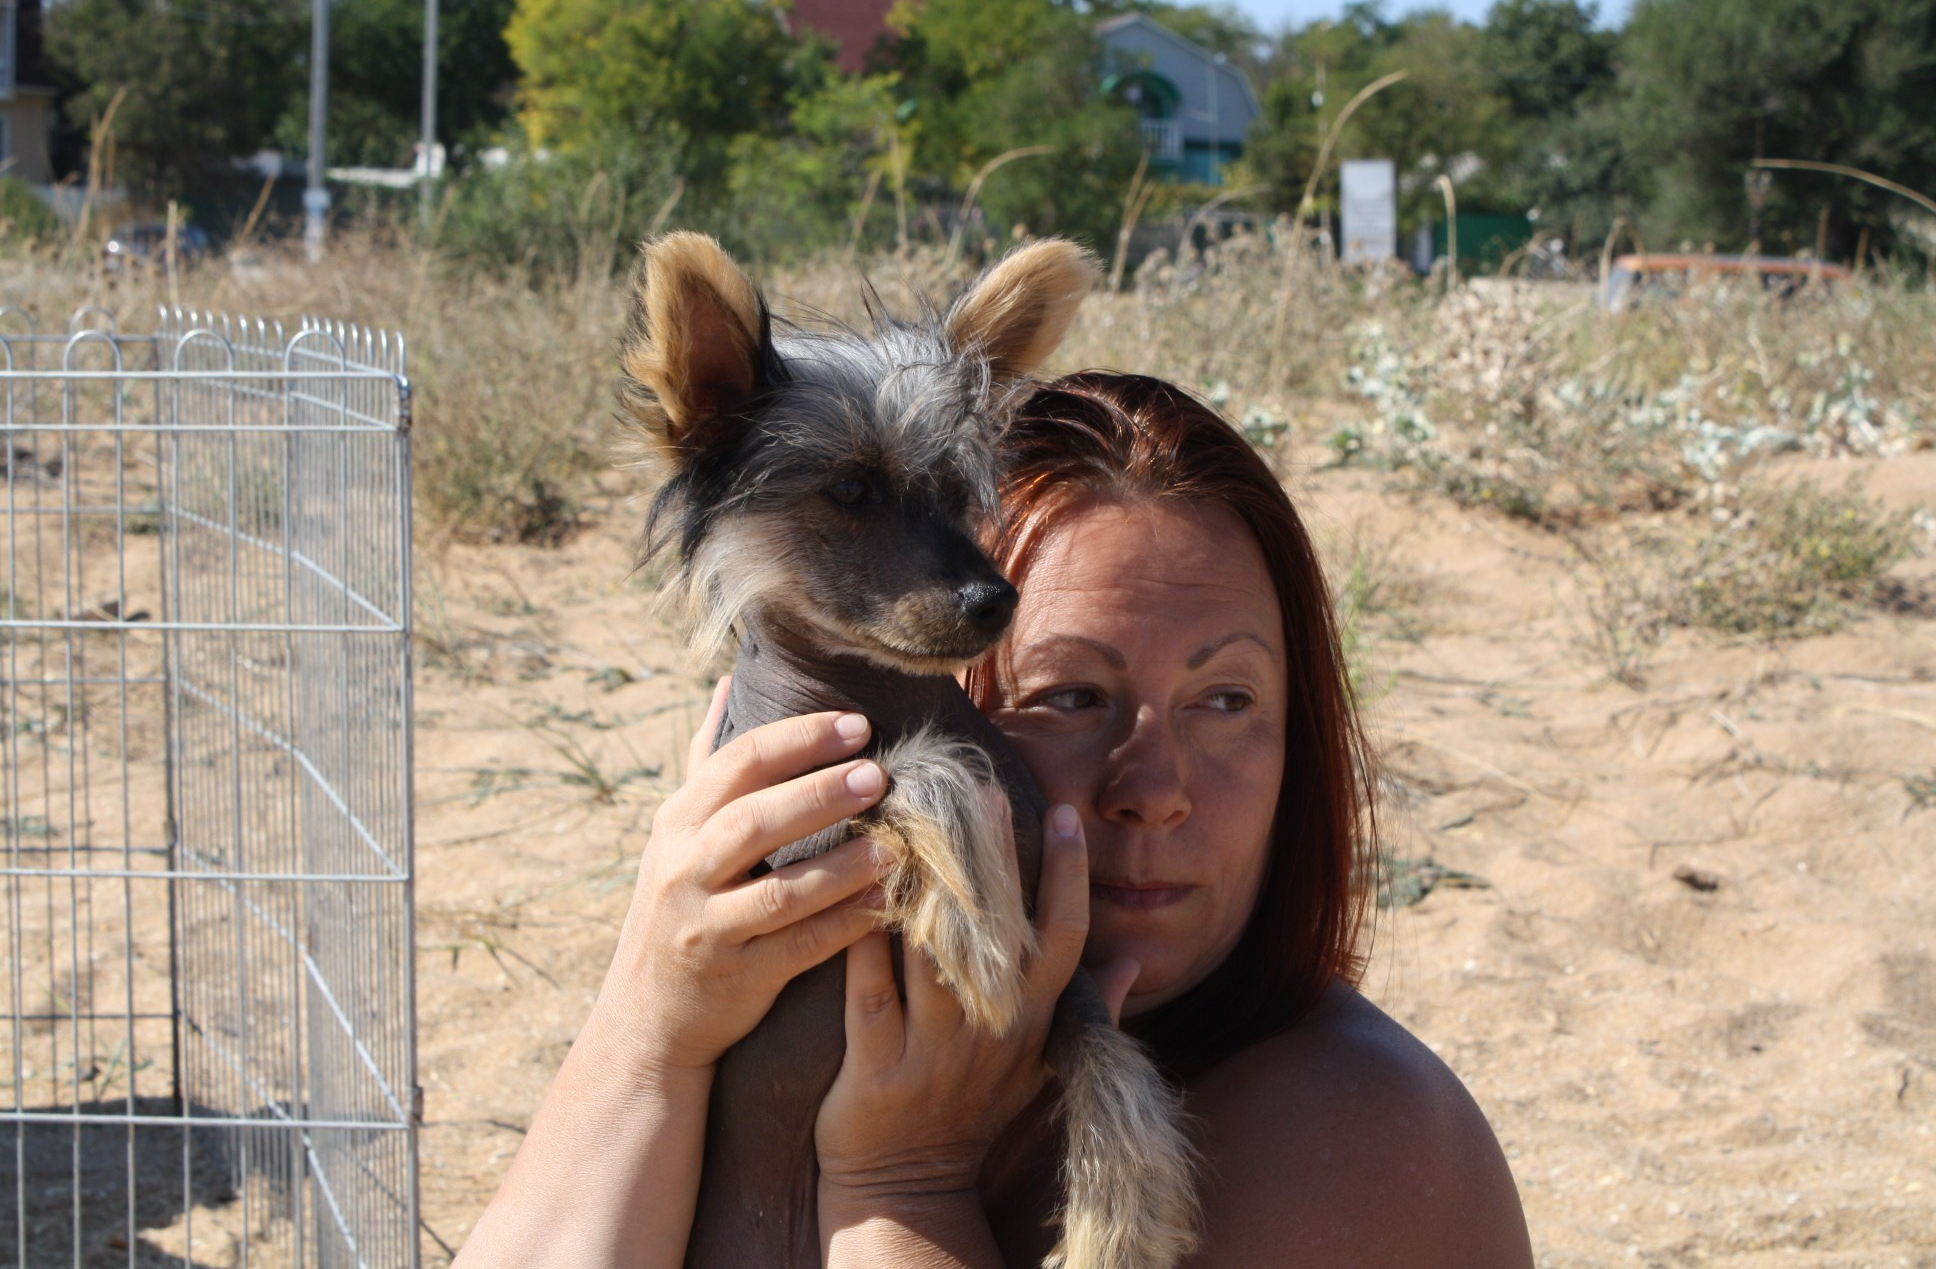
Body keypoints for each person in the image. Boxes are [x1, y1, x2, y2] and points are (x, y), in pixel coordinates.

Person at [456, 372, 1534, 1268]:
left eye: (1227, 700)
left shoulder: (1355, 1132)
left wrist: (900, 1183)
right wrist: (648, 1026)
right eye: (1069, 696)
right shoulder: (852, 1039)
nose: (1152, 785)